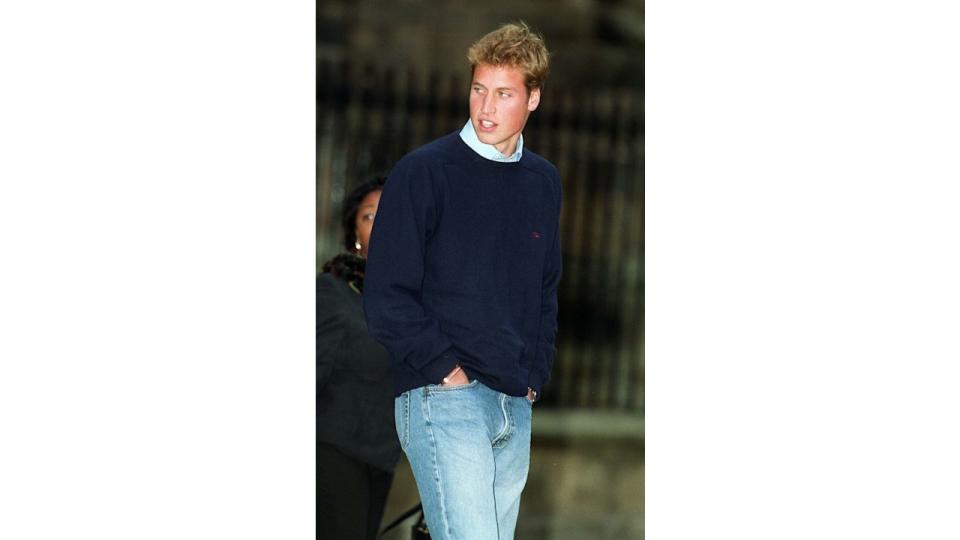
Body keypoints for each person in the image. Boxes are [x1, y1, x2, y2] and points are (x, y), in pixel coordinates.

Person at [363, 22, 561, 540]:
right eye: (478, 90)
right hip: (443, 396)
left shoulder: (543, 182)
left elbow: (544, 289)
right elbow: (386, 294)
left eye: (503, 94)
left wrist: (532, 378)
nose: (486, 108)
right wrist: (446, 373)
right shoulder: (423, 172)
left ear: (533, 98)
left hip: (513, 402)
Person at [316, 177, 400, 540]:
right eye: (369, 217)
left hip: (381, 457)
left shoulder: (415, 301)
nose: (382, 225)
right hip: (331, 451)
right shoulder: (331, 292)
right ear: (355, 234)